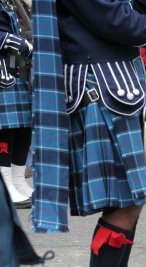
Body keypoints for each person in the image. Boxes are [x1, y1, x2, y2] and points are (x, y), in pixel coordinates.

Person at [32, 0, 146, 266]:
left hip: (114, 83)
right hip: (100, 86)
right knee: (124, 204)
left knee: (129, 203)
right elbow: (114, 19)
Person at [0, 0, 33, 209]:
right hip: (3, 65)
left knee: (23, 125)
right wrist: (18, 43)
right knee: (6, 127)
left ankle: (18, 180)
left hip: (16, 64)